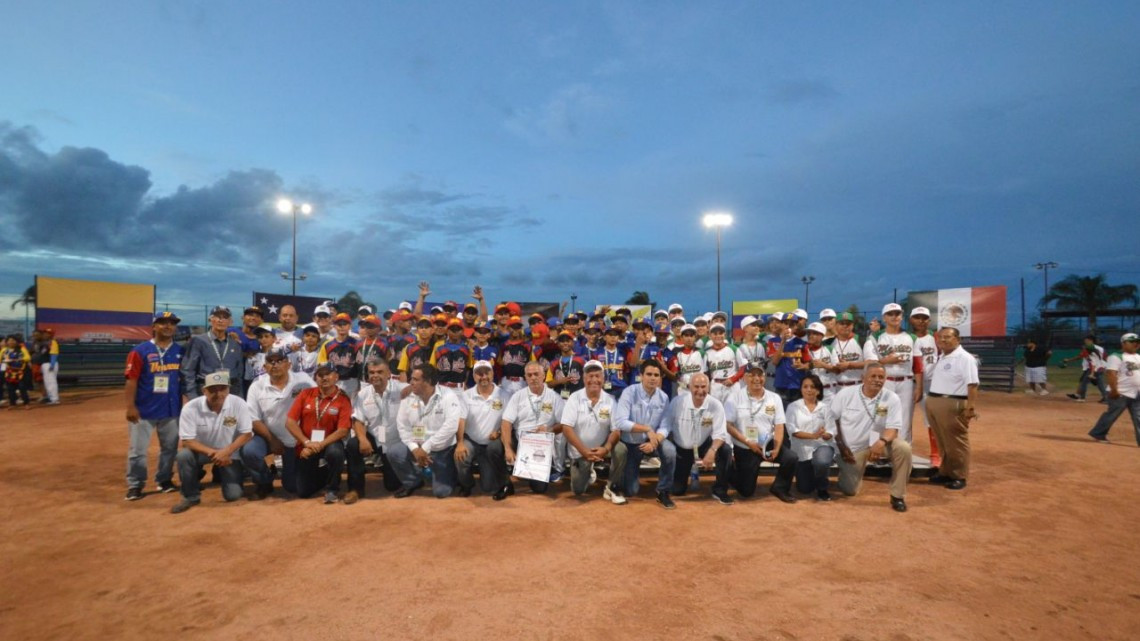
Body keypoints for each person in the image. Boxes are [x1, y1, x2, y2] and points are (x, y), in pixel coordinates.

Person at [830, 362, 913, 512]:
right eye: (873, 376)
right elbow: (832, 420)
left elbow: (893, 428)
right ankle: (849, 473)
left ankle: (897, 496)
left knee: (903, 448)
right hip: (851, 448)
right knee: (850, 491)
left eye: (881, 377)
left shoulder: (891, 398)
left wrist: (881, 442)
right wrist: (841, 446)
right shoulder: (846, 394)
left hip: (877, 442)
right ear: (863, 378)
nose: (877, 380)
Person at [171, 371, 254, 514]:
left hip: (229, 454)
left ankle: (227, 476)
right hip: (204, 452)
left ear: (228, 389)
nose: (218, 393)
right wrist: (215, 453)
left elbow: (246, 434)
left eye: (222, 389)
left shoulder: (238, 403)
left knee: (233, 495)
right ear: (204, 391)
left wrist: (226, 452)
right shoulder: (191, 408)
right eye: (213, 390)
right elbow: (187, 441)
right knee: (184, 456)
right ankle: (190, 496)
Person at [123, 312, 184, 500]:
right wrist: (130, 406)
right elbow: (131, 380)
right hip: (144, 409)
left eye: (171, 323)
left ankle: (164, 479)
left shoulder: (180, 351)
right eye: (163, 323)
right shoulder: (140, 351)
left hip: (171, 409)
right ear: (154, 326)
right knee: (137, 451)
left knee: (170, 449)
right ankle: (136, 484)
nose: (167, 326)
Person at [241, 348, 315, 498]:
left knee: (292, 487)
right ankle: (264, 480)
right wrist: (273, 440)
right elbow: (253, 418)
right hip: (268, 436)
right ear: (264, 367)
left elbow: (320, 399)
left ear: (288, 364)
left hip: (296, 441)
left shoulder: (303, 380)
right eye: (270, 362)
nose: (275, 365)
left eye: (279, 361)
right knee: (249, 451)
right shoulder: (257, 386)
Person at [725, 364, 797, 502]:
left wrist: (776, 447)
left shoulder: (774, 398)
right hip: (745, 446)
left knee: (791, 458)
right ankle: (729, 472)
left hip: (767, 444)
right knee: (746, 492)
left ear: (765, 377)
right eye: (752, 375)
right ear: (745, 378)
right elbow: (728, 425)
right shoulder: (734, 397)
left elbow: (779, 425)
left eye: (760, 375)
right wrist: (748, 442)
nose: (757, 378)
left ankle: (780, 488)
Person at [283, 363, 352, 503]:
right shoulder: (305, 394)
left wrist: (319, 445)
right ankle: (324, 475)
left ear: (336, 377)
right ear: (315, 378)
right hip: (307, 444)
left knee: (335, 453)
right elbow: (290, 422)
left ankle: (333, 489)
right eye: (320, 375)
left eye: (328, 374)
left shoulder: (343, 399)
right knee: (302, 492)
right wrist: (306, 443)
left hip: (330, 443)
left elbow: (343, 430)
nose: (324, 377)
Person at [612, 359, 676, 508]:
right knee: (631, 490)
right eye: (649, 374)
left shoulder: (663, 397)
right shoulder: (629, 392)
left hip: (653, 440)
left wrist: (655, 441)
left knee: (670, 451)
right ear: (641, 375)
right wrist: (647, 429)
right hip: (632, 443)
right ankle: (622, 480)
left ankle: (663, 491)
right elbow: (621, 422)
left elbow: (666, 426)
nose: (653, 378)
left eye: (656, 375)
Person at [392, 363, 463, 498]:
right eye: (411, 378)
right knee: (394, 452)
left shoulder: (448, 396)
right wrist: (415, 449)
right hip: (417, 446)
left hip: (441, 449)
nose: (411, 383)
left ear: (429, 381)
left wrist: (425, 448)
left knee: (441, 492)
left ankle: (450, 473)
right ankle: (413, 482)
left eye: (415, 379)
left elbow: (451, 426)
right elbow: (403, 426)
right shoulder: (408, 397)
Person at [661, 373, 733, 505]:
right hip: (682, 448)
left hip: (703, 443)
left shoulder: (715, 404)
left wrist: (712, 451)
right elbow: (666, 425)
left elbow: (720, 433)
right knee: (678, 490)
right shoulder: (677, 402)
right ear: (689, 387)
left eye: (704, 387)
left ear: (709, 387)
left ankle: (720, 490)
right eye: (696, 387)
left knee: (725, 450)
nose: (700, 391)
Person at [345, 360, 412, 502]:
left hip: (397, 440)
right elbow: (358, 420)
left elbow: (426, 389)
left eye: (380, 372)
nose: (375, 375)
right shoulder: (363, 394)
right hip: (375, 437)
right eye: (371, 372)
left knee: (392, 486)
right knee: (352, 444)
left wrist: (413, 387)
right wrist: (363, 440)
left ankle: (402, 471)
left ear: (389, 374)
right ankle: (355, 489)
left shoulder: (403, 389)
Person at [559, 360, 626, 501]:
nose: (594, 380)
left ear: (603, 378)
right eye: (590, 376)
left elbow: (616, 431)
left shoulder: (611, 400)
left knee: (620, 449)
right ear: (584, 378)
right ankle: (588, 470)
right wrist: (584, 451)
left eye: (597, 376)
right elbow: (566, 428)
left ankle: (611, 487)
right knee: (578, 491)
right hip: (580, 451)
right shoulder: (574, 398)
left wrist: (606, 449)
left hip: (602, 448)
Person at [501, 361, 566, 498]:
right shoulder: (518, 396)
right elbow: (506, 422)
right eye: (529, 375)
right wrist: (508, 448)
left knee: (540, 489)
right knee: (497, 447)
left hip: (542, 446)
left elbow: (564, 424)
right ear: (525, 378)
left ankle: (527, 470)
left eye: (536, 374)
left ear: (543, 376)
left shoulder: (554, 397)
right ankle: (506, 481)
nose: (533, 378)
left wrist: (549, 430)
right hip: (520, 441)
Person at [926, 328, 980, 490]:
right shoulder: (942, 356)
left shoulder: (965, 358)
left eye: (947, 337)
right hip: (935, 400)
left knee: (956, 442)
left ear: (958, 339)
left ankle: (959, 476)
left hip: (953, 402)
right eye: (940, 337)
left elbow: (973, 384)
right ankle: (945, 472)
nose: (943, 340)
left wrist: (970, 408)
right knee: (942, 440)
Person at [863, 303, 923, 443]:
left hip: (906, 383)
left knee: (905, 418)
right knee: (880, 416)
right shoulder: (875, 338)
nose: (894, 316)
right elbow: (870, 364)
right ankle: (877, 450)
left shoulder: (912, 337)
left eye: (897, 314)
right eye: (890, 314)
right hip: (884, 383)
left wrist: (919, 387)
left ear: (902, 316)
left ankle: (902, 451)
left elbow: (918, 366)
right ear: (884, 318)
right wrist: (886, 361)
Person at [455, 360, 510, 496]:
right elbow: (461, 420)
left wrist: (498, 432)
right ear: (474, 376)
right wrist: (460, 443)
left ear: (493, 374)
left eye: (487, 373)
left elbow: (507, 421)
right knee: (460, 457)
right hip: (471, 441)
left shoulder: (504, 395)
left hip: (490, 444)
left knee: (488, 487)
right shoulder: (465, 396)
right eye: (479, 374)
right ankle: (466, 485)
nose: (483, 376)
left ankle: (490, 476)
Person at [785, 374, 837, 500]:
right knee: (804, 489)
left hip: (822, 445)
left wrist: (826, 435)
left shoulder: (825, 408)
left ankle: (822, 488)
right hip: (801, 448)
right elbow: (792, 430)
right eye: (805, 386)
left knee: (822, 462)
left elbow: (832, 429)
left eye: (812, 387)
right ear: (801, 389)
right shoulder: (793, 407)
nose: (809, 389)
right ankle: (813, 474)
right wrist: (813, 436)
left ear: (818, 390)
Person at [180, 305, 244, 400]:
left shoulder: (235, 343)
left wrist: (239, 397)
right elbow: (188, 370)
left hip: (230, 392)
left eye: (225, 317)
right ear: (210, 320)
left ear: (230, 322)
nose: (220, 320)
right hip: (205, 391)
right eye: (217, 317)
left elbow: (239, 373)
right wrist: (192, 395)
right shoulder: (198, 341)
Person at [1087, 332, 1140, 445]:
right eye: (1132, 342)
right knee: (1112, 415)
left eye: (1137, 342)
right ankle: (1098, 433)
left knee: (1138, 416)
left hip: (1136, 393)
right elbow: (1111, 374)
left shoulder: (1138, 357)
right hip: (1120, 393)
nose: (1136, 344)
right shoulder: (1116, 356)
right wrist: (1114, 390)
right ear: (1123, 343)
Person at [769, 313, 812, 406]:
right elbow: (775, 361)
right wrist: (783, 341)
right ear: (781, 324)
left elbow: (809, 364)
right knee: (781, 415)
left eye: (792, 324)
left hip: (797, 385)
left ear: (796, 326)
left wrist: (803, 366)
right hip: (781, 384)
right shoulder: (773, 341)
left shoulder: (802, 342)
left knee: (797, 416)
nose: (788, 326)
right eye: (785, 323)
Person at [318, 313, 361, 397]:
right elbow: (321, 365)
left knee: (350, 407)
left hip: (351, 381)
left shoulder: (356, 344)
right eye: (339, 324)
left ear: (349, 326)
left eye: (345, 324)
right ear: (334, 326)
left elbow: (360, 365)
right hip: (333, 381)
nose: (342, 326)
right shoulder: (327, 345)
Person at [1064, 335, 1108, 402]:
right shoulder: (1100, 348)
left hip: (1092, 368)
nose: (1085, 341)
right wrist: (1106, 367)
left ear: (1091, 340)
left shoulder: (1088, 349)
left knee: (1084, 382)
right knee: (1100, 383)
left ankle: (1082, 398)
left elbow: (1090, 362)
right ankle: (1106, 397)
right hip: (1100, 368)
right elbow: (1105, 358)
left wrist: (1092, 373)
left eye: (1086, 340)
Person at [430, 318, 472, 389]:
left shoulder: (467, 348)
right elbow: (432, 366)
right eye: (452, 330)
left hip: (459, 387)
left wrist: (464, 383)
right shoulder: (438, 346)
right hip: (441, 385)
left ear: (462, 331)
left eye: (458, 330)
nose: (455, 332)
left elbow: (468, 367)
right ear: (447, 331)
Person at [2, 334, 32, 409]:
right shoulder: (4, 350)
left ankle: (26, 403)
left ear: (16, 342)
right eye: (9, 341)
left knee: (22, 387)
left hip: (20, 372)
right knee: (10, 388)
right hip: (9, 372)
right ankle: (12, 403)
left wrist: (18, 360)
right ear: (7, 342)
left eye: (13, 340)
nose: (11, 342)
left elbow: (27, 358)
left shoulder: (22, 349)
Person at [31, 328, 60, 405]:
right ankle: (51, 398)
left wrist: (52, 364)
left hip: (49, 363)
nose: (46, 334)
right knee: (47, 382)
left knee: (51, 382)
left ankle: (54, 399)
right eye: (45, 333)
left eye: (48, 333)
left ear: (51, 335)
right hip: (45, 364)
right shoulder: (46, 343)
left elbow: (54, 353)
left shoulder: (52, 342)